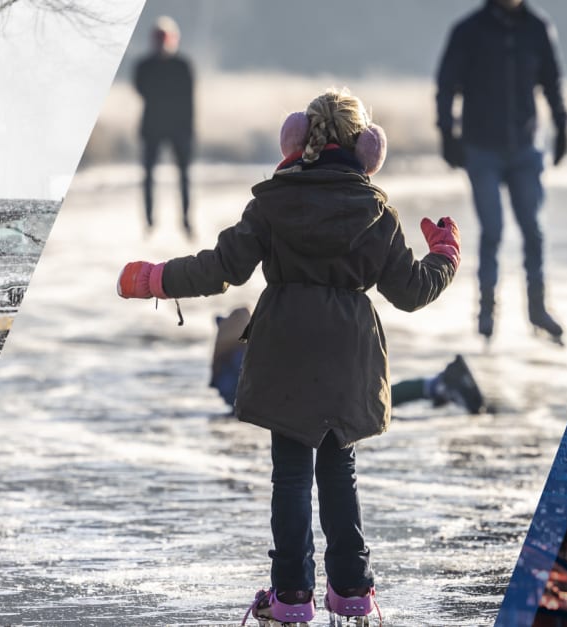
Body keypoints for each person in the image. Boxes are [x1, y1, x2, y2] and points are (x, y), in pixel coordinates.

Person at [117, 89, 460, 625]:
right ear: (365, 148)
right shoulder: (376, 211)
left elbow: (220, 267)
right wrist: (445, 254)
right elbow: (412, 291)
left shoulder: (273, 202)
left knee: (292, 476)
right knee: (340, 472)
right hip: (348, 354)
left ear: (298, 139)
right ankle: (352, 590)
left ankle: (292, 595)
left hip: (286, 349)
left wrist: (157, 278)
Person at [436, 0, 567, 344]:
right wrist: (447, 133)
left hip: (526, 148)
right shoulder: (468, 31)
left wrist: (562, 124)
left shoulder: (537, 28)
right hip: (481, 149)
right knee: (492, 230)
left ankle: (537, 309)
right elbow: (446, 84)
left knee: (533, 230)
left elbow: (553, 81)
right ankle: (486, 311)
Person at [211, 309, 485, 415]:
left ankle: (438, 385)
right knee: (373, 399)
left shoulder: (235, 361)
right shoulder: (242, 357)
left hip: (305, 401)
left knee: (373, 400)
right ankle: (437, 385)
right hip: (312, 392)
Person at [134, 16, 194, 237]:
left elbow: (189, 101)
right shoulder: (144, 66)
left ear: (173, 40)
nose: (161, 44)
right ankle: (149, 221)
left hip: (179, 129)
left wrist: (189, 130)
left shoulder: (183, 66)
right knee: (148, 176)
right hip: (152, 128)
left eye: (165, 39)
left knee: (184, 176)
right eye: (158, 40)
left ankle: (186, 220)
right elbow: (141, 89)